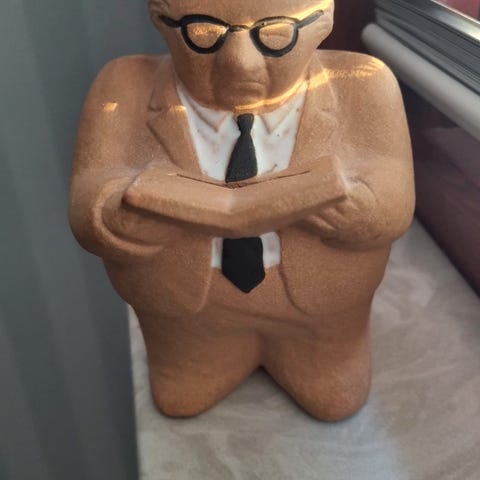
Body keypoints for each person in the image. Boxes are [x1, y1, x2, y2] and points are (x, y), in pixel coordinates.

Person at [69, 0, 415, 420]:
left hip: (324, 317)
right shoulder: (124, 84)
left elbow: (393, 193)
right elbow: (90, 193)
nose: (240, 64)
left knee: (334, 397)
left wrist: (363, 209)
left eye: (276, 34)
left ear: (323, 19)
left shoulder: (361, 81)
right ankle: (193, 363)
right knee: (181, 396)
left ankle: (325, 362)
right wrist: (114, 219)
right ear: (161, 19)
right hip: (182, 319)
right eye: (204, 34)